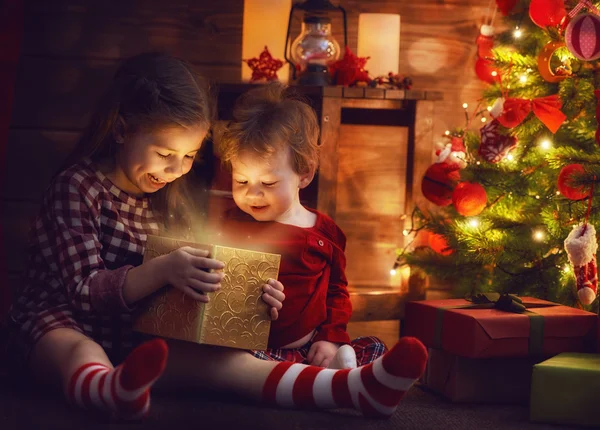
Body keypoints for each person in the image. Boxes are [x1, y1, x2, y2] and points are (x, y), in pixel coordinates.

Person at [4, 52, 428, 421]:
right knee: (75, 348)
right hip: (62, 322)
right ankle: (109, 392)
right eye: (166, 154)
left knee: (227, 363)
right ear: (121, 130)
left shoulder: (167, 197)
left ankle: (350, 391)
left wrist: (248, 294)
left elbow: (182, 291)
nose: (177, 170)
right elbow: (83, 292)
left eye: (189, 156)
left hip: (135, 336)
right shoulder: (78, 188)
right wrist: (166, 268)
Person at [215, 83, 389, 370]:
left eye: (268, 183)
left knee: (375, 347)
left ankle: (337, 370)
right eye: (241, 181)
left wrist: (330, 338)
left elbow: (336, 291)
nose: (252, 194)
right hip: (251, 349)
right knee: (231, 363)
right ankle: (330, 383)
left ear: (304, 174)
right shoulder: (231, 222)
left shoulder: (323, 233)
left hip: (306, 349)